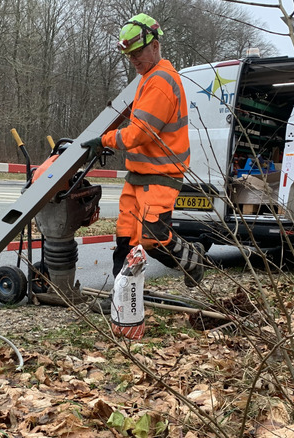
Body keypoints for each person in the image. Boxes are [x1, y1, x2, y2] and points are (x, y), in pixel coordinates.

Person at [81, 13, 205, 314]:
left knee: (153, 238)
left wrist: (105, 140)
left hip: (161, 174)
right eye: (129, 55)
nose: (134, 59)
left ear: (155, 45)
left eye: (138, 52)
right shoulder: (148, 79)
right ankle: (121, 302)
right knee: (126, 239)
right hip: (138, 175)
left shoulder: (161, 81)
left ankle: (194, 259)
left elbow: (139, 133)